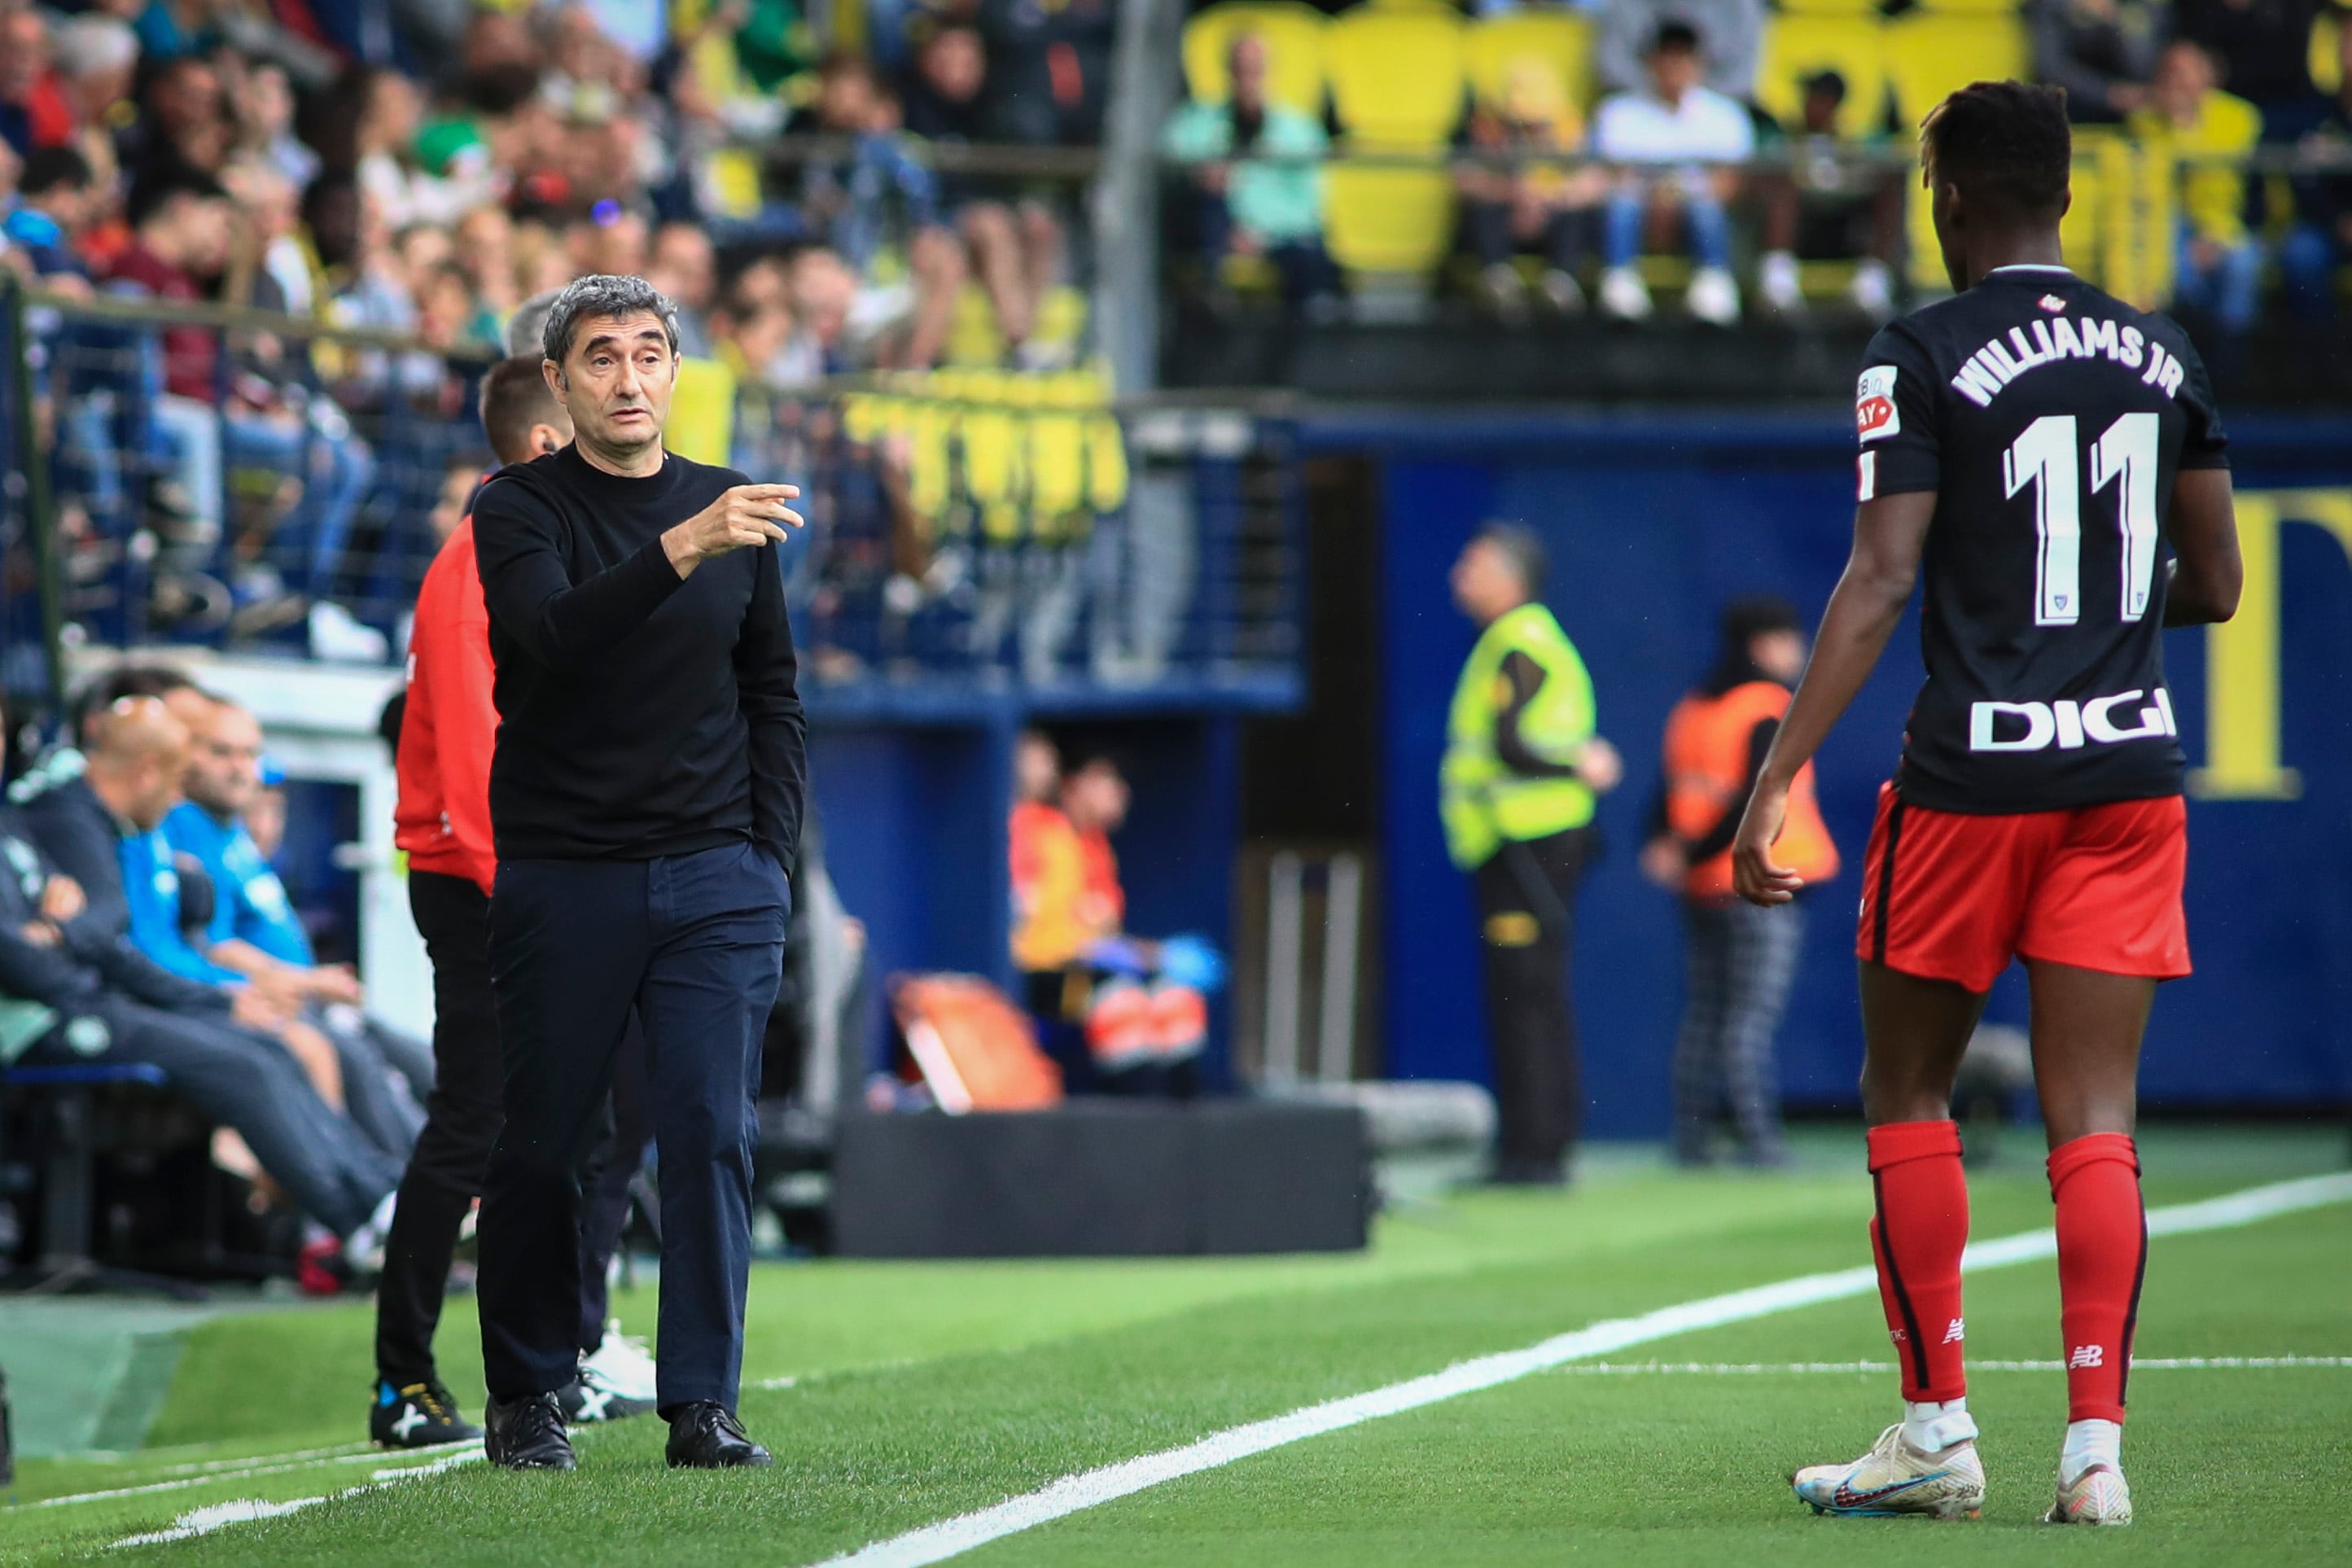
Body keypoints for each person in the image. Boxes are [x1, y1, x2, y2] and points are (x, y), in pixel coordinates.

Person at [1732, 80, 2240, 1523]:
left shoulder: (1919, 347)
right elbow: (2211, 584)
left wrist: (1774, 776)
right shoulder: (2159, 351)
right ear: (2066, 196)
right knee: (2092, 1113)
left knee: (1905, 1090)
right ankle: (2092, 1457)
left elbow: (1880, 575)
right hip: (2125, 774)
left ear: (1945, 194)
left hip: (1972, 774)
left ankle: (1935, 1431)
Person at [470, 274, 807, 1472]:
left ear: (676, 372)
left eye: (649, 353)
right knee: (548, 1141)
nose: (629, 377)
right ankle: (526, 1388)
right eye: (602, 357)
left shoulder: (733, 506)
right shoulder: (518, 507)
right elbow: (546, 645)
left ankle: (701, 1402)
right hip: (568, 873)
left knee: (711, 1130)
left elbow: (771, 690)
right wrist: (680, 546)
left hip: (719, 875)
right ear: (558, 381)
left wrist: (771, 859)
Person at [376, 354, 659, 1451]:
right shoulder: (474, 561)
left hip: (552, 870)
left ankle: (572, 1349)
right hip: (486, 879)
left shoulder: (539, 549)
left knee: (599, 1113)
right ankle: (403, 1376)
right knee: (478, 1122)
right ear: (549, 443)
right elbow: (474, 749)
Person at [0, 694, 404, 1246]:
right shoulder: (67, 815)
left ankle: (381, 1197)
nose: (176, 804)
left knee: (270, 1050)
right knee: (248, 1061)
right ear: (148, 773)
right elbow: (46, 954)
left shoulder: (42, 825)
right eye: (175, 787)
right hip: (48, 1019)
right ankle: (354, 1225)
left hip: (93, 999)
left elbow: (92, 931)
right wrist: (71, 937)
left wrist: (64, 934)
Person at [1441, 524, 1623, 1185]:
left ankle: (1536, 1149)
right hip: (1519, 845)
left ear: (1508, 576)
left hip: (1527, 847)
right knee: (1528, 994)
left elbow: (1510, 745)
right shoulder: (1512, 642)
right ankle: (1533, 1143)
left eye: (1472, 562)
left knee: (1527, 995)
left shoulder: (1520, 642)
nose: (1458, 575)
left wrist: (1575, 763)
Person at [1643, 596, 1838, 1167]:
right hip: (1761, 880)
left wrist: (1676, 854)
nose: (1796, 652)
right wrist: (1699, 852)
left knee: (1704, 1012)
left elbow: (1669, 792)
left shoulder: (1696, 708)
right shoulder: (1765, 707)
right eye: (1788, 638)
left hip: (1703, 886)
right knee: (1748, 1018)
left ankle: (1692, 1137)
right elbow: (1753, 801)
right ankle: (1759, 1140)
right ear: (1763, 643)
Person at [1592, 22, 1755, 326]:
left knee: (1705, 209)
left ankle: (1714, 281)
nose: (1674, 67)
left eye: (1683, 58)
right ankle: (1620, 280)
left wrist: (1677, 197)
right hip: (1641, 211)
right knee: (1622, 204)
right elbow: (1612, 177)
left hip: (1694, 212)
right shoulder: (1618, 113)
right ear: (1651, 61)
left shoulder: (1726, 116)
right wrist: (1656, 198)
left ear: (1699, 63)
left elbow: (1728, 184)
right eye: (1667, 57)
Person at [1161, 32, 1334, 309]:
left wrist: (1257, 235)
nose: (1248, 80)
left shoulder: (1300, 132)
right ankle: (1212, 309)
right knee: (1203, 203)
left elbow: (1310, 208)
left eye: (1256, 70)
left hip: (1275, 238)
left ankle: (1297, 347)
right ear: (1228, 71)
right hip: (1214, 231)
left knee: (1312, 260)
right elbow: (1170, 160)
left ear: (1269, 71)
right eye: (1240, 69)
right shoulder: (1196, 123)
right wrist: (1198, 176)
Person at [2129, 41, 2262, 347]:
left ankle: (2229, 369)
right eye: (2172, 73)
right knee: (2169, 252)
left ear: (2209, 76)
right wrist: (2177, 125)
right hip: (2170, 227)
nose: (2181, 82)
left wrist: (2215, 237)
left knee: (2242, 265)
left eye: (2189, 72)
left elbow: (2250, 192)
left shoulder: (2240, 118)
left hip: (2228, 227)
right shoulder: (2145, 121)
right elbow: (2155, 191)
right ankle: (2189, 349)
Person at [1456, 59, 1605, 319]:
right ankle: (1498, 279)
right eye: (1522, 121)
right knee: (1483, 209)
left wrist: (1548, 199)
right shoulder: (1489, 128)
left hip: (1553, 221)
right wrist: (1513, 195)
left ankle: (1561, 282)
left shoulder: (1572, 129)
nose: (1531, 127)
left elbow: (1596, 183)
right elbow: (1463, 179)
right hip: (1508, 224)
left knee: (1578, 216)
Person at [1755, 71, 1902, 321]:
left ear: (1833, 103)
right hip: (1800, 233)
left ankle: (1873, 276)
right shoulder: (1785, 141)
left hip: (1841, 233)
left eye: (1818, 98)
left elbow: (1859, 183)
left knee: (1890, 182)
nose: (1810, 104)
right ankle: (1777, 275)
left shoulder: (1851, 147)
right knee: (1782, 184)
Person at [2282, 24, 2352, 319]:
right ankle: (2323, 356)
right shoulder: (2315, 114)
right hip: (2326, 228)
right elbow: (2305, 182)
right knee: (2300, 253)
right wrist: (2337, 220)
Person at [2031, 0, 2172, 125]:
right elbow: (2050, 70)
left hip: (2138, 125)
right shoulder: (2053, 6)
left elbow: (2144, 67)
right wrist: (2108, 95)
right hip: (2075, 123)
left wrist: (2113, 21)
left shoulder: (2145, 7)